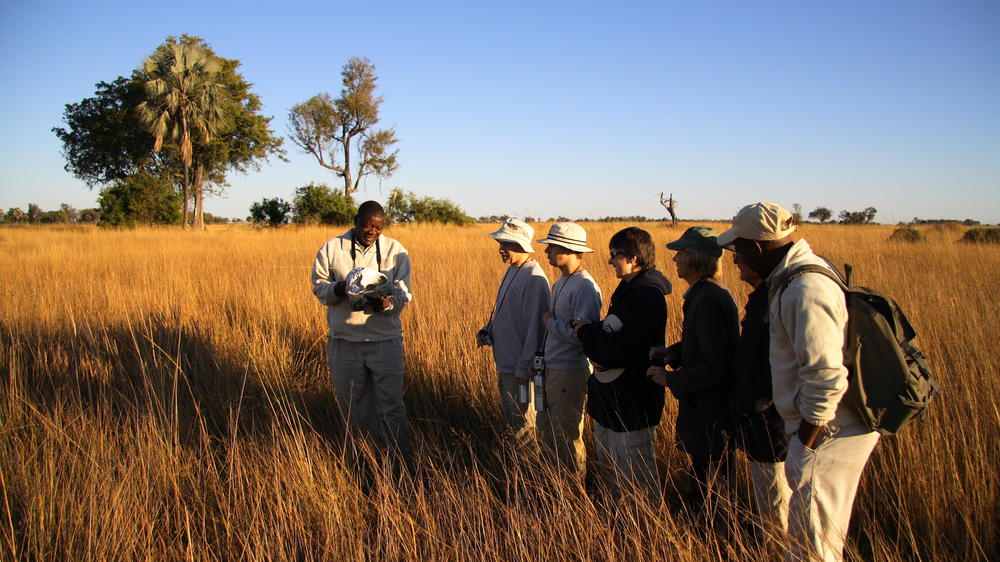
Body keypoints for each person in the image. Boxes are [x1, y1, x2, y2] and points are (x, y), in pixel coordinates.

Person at [718, 202, 879, 562]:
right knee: (809, 540)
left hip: (828, 433)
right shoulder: (794, 278)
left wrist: (804, 447)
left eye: (738, 249)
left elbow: (826, 379)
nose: (733, 259)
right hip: (819, 431)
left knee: (813, 547)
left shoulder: (804, 288)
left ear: (758, 248)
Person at [574, 227, 671, 499]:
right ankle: (619, 530)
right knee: (613, 476)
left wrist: (585, 332)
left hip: (632, 404)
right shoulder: (629, 289)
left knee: (637, 484)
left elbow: (618, 350)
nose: (609, 261)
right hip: (613, 403)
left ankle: (644, 536)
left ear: (634, 258)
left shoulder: (647, 296)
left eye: (614, 255)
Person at [311, 201, 413, 458]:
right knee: (354, 407)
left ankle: (400, 462)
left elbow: (404, 294)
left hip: (384, 341)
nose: (372, 232)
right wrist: (341, 288)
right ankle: (363, 461)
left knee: (391, 406)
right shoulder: (332, 248)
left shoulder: (395, 250)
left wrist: (386, 303)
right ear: (356, 220)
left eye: (378, 228)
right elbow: (319, 288)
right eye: (367, 225)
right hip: (344, 342)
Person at [646, 226, 739, 509]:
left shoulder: (709, 298)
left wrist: (671, 379)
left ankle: (716, 539)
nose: (674, 259)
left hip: (711, 411)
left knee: (713, 486)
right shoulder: (704, 294)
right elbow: (703, 345)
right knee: (704, 476)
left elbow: (714, 363)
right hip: (706, 409)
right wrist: (672, 352)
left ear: (696, 257)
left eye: (681, 253)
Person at [729, 248, 792, 531]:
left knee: (776, 502)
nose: (734, 260)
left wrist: (761, 405)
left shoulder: (778, 298)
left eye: (740, 255)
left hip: (773, 423)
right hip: (759, 419)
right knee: (767, 497)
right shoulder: (762, 298)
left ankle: (779, 550)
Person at [535, 222, 602, 480]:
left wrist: (550, 322)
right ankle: (555, 492)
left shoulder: (584, 286)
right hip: (553, 367)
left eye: (552, 247)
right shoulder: (561, 282)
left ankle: (575, 494)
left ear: (568, 250)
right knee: (549, 435)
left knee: (568, 436)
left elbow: (582, 335)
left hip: (571, 370)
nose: (547, 252)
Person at [478, 219, 550, 443]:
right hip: (507, 366)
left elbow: (536, 329)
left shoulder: (534, 278)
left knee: (524, 430)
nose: (501, 248)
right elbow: (507, 315)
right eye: (500, 242)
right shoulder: (513, 270)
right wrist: (489, 331)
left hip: (521, 372)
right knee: (513, 427)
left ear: (523, 246)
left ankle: (528, 477)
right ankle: (516, 474)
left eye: (507, 244)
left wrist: (524, 366)